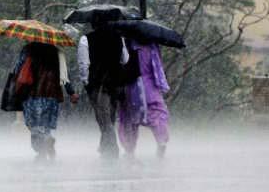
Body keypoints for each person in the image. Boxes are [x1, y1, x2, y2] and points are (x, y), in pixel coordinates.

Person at [15, 42, 79, 161]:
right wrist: (71, 92)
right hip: (52, 95)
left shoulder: (28, 50)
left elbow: (17, 70)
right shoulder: (56, 52)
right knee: (46, 124)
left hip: (32, 94)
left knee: (33, 125)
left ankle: (42, 149)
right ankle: (47, 138)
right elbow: (64, 75)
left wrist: (15, 89)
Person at [77, 20, 129, 159]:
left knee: (103, 117)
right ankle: (105, 147)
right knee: (110, 116)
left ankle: (112, 150)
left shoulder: (86, 39)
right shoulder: (119, 37)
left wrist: (85, 80)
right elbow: (125, 59)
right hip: (115, 82)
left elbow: (83, 63)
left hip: (98, 83)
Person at [117, 40, 170, 158]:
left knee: (128, 119)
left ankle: (129, 149)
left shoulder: (125, 45)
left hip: (131, 87)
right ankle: (161, 140)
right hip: (150, 88)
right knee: (157, 114)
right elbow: (157, 67)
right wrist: (161, 84)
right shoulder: (151, 46)